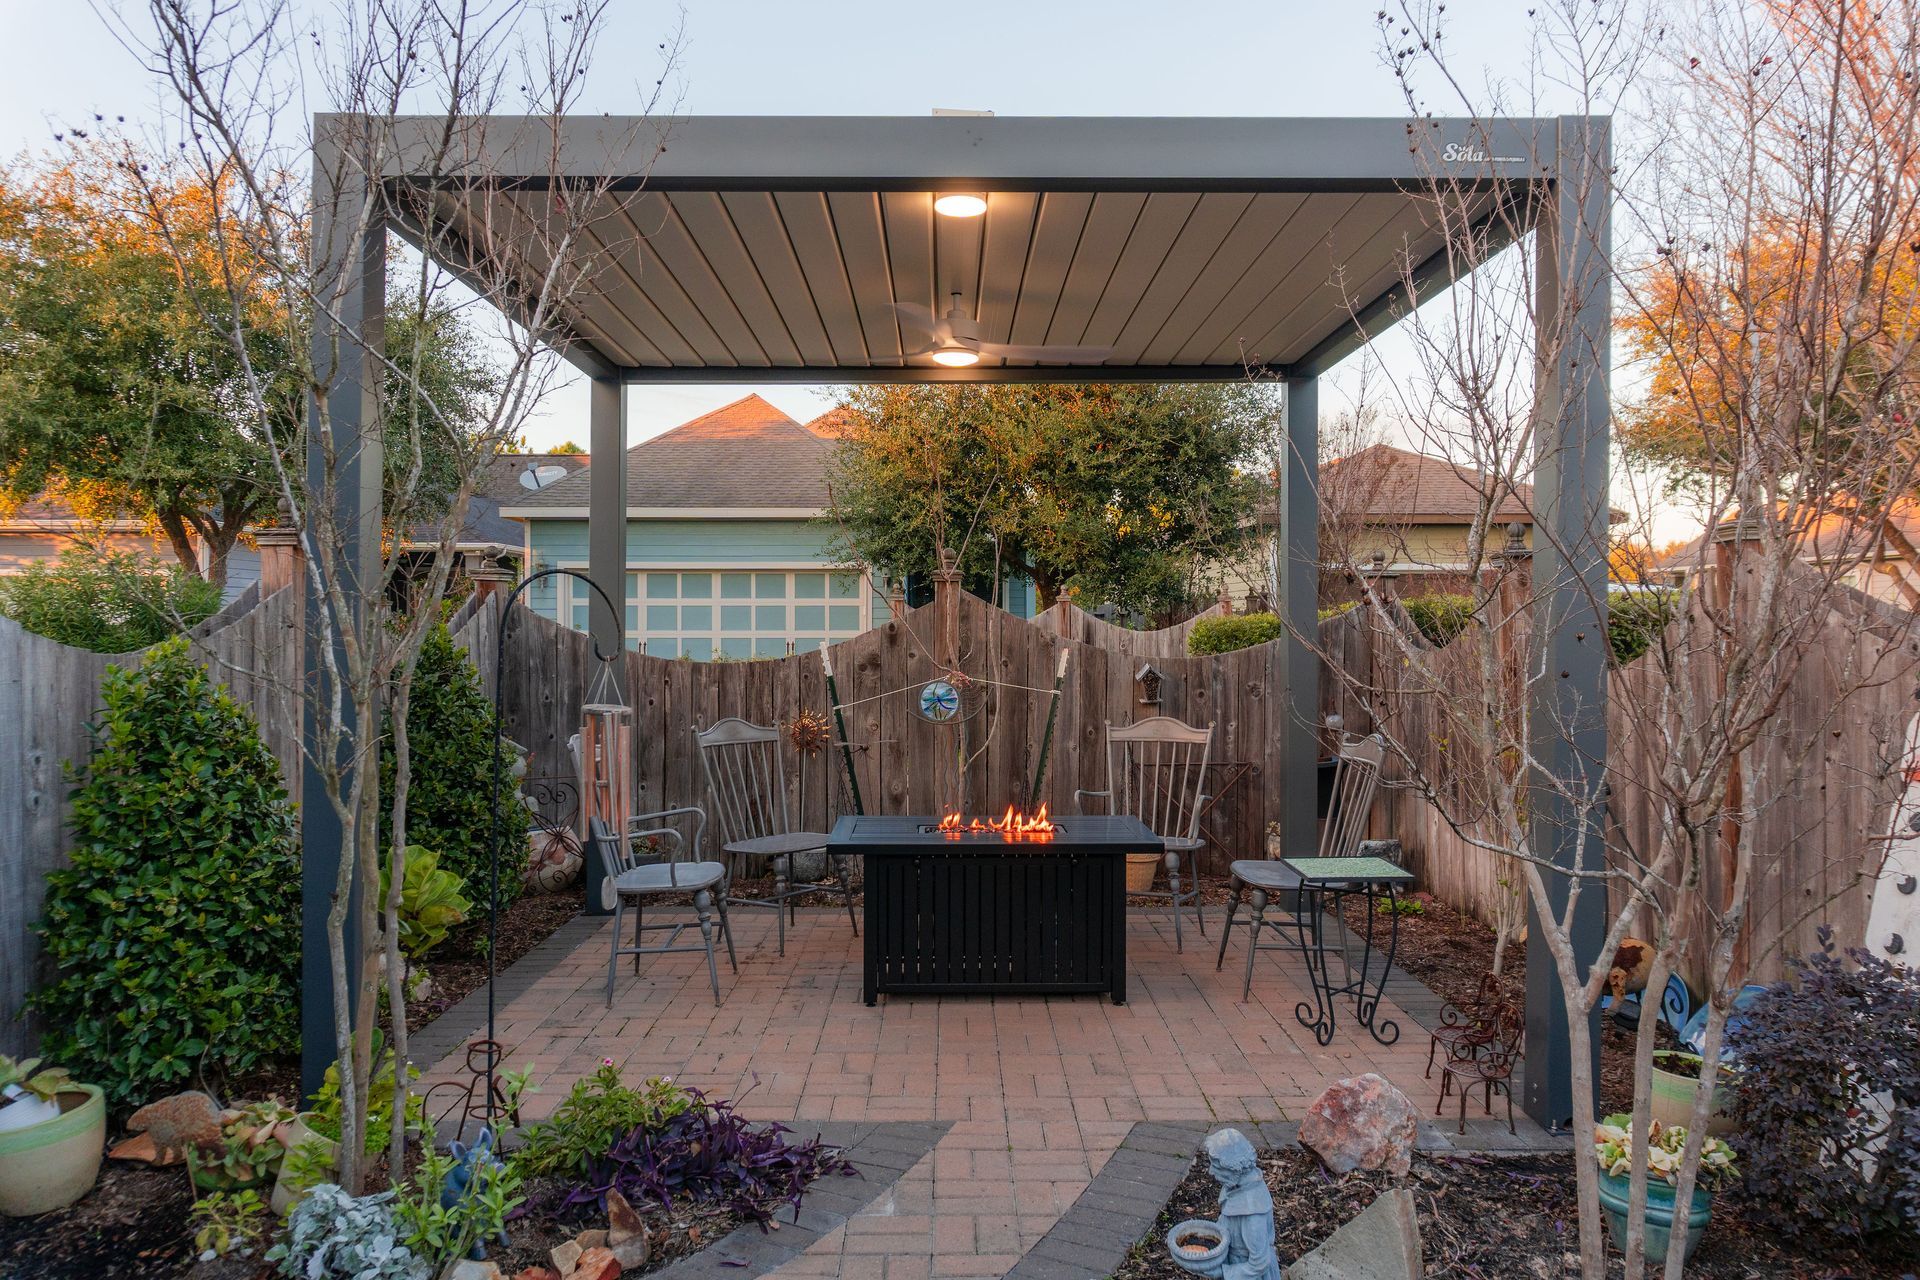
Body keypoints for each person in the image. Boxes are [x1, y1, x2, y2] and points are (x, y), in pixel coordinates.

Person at [1186, 1128, 1280, 1280]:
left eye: (1215, 1166)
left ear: (1233, 1169)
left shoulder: (1252, 1215)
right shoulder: (1238, 1186)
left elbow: (1259, 1264)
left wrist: (1223, 1273)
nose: (1210, 1171)